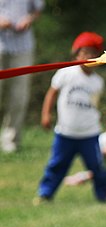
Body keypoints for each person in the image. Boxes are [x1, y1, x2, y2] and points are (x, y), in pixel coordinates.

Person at [35, 32, 106, 204]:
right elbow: (52, 93)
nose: (88, 57)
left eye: (93, 53)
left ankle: (103, 195)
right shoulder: (66, 73)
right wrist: (46, 114)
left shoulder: (98, 82)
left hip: (89, 133)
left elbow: (95, 105)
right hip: (65, 132)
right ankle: (45, 194)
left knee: (96, 167)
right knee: (57, 164)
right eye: (84, 53)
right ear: (76, 54)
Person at [0, 0, 44, 152]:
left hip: (23, 47)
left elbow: (37, 9)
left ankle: (11, 140)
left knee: (19, 96)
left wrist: (28, 19)